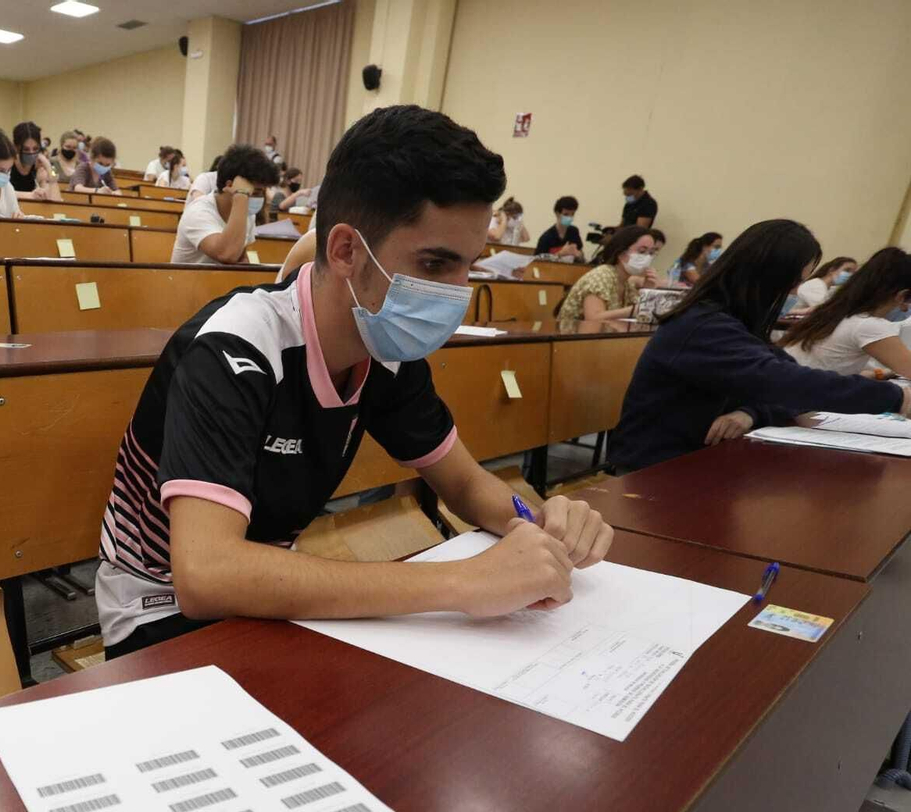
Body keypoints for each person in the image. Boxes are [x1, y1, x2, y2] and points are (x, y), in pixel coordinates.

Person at [94, 104, 613, 658]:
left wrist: (538, 523)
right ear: (344, 250)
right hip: (159, 606)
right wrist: (464, 582)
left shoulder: (386, 345)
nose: (457, 292)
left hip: (272, 593)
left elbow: (463, 484)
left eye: (468, 266)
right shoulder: (235, 350)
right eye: (436, 265)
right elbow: (206, 575)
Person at [610, 221, 910, 471]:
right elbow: (783, 383)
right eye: (793, 284)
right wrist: (894, 396)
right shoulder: (703, 327)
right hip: (653, 470)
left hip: (702, 461)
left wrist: (752, 412)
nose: (794, 293)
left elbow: (784, 378)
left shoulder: (734, 323)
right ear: (766, 279)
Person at [782, 248, 911, 378]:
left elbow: (837, 370)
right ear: (902, 296)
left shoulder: (835, 312)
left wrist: (879, 374)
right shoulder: (869, 325)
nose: (907, 310)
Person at [169, 145, 278, 266]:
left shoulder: (245, 213)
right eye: (255, 192)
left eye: (262, 192)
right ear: (230, 185)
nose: (260, 198)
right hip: (187, 283)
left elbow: (240, 259)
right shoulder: (198, 211)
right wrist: (241, 194)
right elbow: (227, 254)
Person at [556, 226, 659, 324]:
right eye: (642, 251)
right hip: (571, 338)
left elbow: (642, 314)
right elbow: (593, 319)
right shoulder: (601, 276)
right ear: (621, 252)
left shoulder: (627, 284)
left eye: (651, 253)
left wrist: (648, 290)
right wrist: (632, 311)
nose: (647, 257)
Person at [7, 121, 60, 201]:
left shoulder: (40, 164)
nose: (31, 153)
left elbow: (56, 200)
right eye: (26, 149)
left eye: (35, 149)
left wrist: (48, 166)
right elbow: (1, 193)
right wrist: (30, 195)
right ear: (16, 147)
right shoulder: (7, 163)